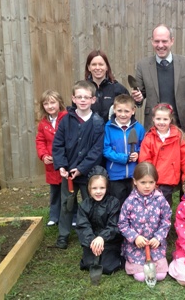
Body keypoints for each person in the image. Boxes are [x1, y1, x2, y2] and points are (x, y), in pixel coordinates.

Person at [53, 80, 105, 249]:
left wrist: (81, 169)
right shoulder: (66, 121)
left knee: (91, 203)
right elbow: (58, 144)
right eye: (79, 97)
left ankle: (93, 234)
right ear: (73, 99)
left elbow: (97, 151)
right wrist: (61, 165)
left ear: (93, 100)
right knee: (67, 203)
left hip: (87, 174)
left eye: (86, 97)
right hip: (67, 173)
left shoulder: (98, 122)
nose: (83, 100)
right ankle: (63, 234)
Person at [131, 24, 185, 129]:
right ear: (152, 41)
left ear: (172, 41)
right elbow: (139, 98)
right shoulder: (143, 65)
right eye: (157, 41)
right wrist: (138, 98)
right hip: (154, 124)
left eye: (164, 41)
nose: (160, 45)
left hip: (181, 124)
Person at [118, 162, 172, 283]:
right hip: (136, 246)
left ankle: (155, 261)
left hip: (155, 245)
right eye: (143, 182)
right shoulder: (130, 201)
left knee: (161, 275)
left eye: (151, 182)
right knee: (141, 276)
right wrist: (135, 237)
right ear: (135, 181)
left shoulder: (160, 199)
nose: (147, 186)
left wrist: (158, 237)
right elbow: (122, 223)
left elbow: (166, 220)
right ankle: (132, 263)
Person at [138, 103, 185, 206]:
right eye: (158, 119)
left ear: (170, 120)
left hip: (169, 179)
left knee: (165, 207)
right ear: (153, 119)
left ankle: (165, 222)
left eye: (165, 119)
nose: (161, 122)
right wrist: (148, 178)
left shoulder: (178, 136)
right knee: (151, 207)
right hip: (152, 180)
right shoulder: (149, 137)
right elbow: (145, 160)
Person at [76, 166, 124, 274]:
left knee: (107, 268)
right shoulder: (84, 205)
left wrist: (102, 237)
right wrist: (92, 241)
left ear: (107, 187)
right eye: (94, 188)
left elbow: (114, 225)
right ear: (89, 188)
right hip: (92, 241)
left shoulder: (114, 203)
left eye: (102, 188)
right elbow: (82, 226)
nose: (98, 192)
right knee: (88, 264)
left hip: (109, 241)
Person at [103, 94, 146, 207]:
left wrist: (138, 153)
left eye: (126, 111)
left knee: (134, 202)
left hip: (134, 174)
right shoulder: (108, 128)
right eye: (119, 111)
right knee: (117, 203)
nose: (123, 114)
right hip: (115, 174)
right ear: (114, 110)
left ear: (133, 111)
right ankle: (117, 223)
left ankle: (133, 223)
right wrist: (124, 158)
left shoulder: (139, 128)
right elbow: (106, 150)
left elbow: (145, 146)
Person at [35, 89, 67, 227]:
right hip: (51, 165)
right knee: (55, 192)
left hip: (65, 163)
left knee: (68, 192)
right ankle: (54, 216)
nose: (50, 106)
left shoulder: (67, 118)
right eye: (46, 103)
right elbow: (40, 141)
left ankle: (72, 216)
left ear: (59, 103)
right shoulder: (43, 123)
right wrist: (43, 155)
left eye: (53, 102)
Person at [84, 50, 135, 124]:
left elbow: (129, 115)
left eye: (101, 64)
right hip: (89, 134)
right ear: (89, 67)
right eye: (94, 64)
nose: (97, 68)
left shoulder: (119, 89)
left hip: (113, 134)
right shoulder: (82, 89)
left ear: (107, 67)